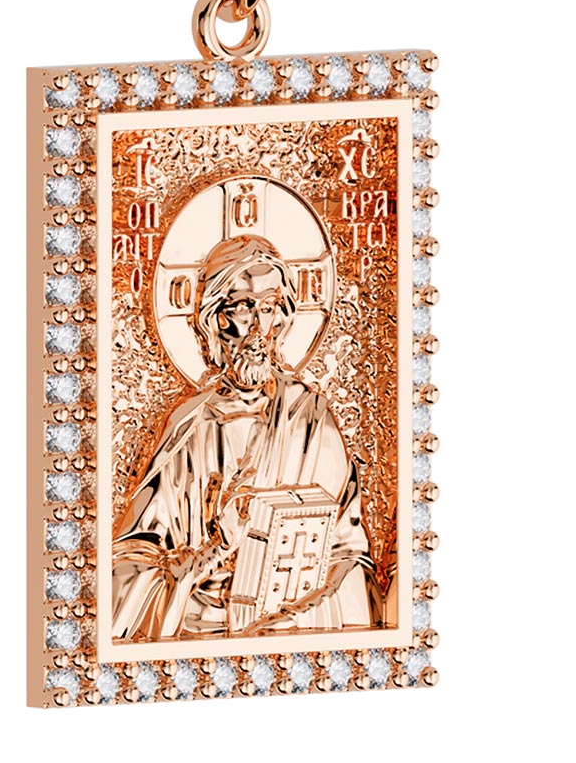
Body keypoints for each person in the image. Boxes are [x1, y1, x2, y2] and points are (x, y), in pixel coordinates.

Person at [112, 233, 382, 642]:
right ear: (214, 320)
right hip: (198, 636)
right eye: (241, 307)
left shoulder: (309, 417)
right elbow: (128, 567)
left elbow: (350, 555)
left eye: (269, 307)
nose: (259, 328)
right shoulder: (190, 428)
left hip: (290, 632)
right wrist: (215, 549)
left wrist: (298, 610)